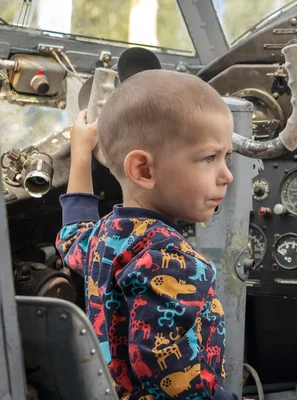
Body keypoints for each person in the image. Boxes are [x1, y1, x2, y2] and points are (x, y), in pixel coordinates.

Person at [55, 69, 238, 399]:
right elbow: (163, 363)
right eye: (209, 158)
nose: (227, 175)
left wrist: (81, 152)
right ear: (144, 170)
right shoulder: (168, 256)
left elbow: (72, 234)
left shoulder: (104, 236)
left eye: (227, 157)